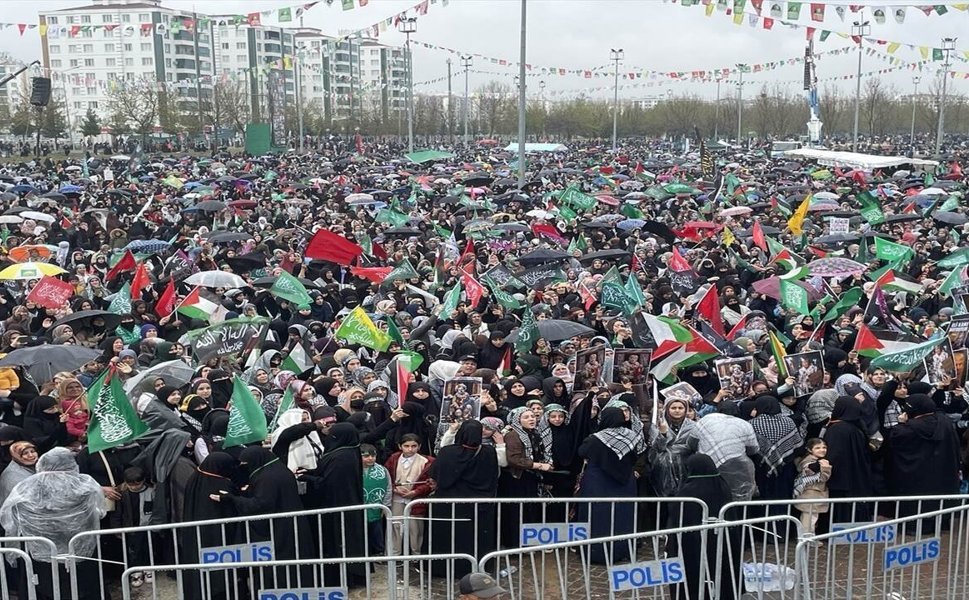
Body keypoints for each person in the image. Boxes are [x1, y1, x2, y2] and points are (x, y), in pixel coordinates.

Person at [0, 447, 106, 600]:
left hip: (40, 550)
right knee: (83, 586)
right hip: (81, 547)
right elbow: (100, 511)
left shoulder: (26, 487)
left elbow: (10, 516)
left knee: (46, 586)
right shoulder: (85, 483)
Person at [427, 420, 499, 577]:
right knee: (475, 539)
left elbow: (435, 475)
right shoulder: (489, 452)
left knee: (448, 539)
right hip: (479, 506)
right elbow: (494, 476)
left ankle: (442, 569)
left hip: (449, 505)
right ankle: (477, 567)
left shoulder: (448, 452)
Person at [577, 406, 645, 563]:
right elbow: (637, 455)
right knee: (623, 516)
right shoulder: (632, 436)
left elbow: (582, 452)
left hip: (598, 482)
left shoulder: (595, 438)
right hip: (625, 483)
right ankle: (622, 550)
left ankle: (597, 552)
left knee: (597, 517)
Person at [667, 454, 740, 600]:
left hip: (692, 546)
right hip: (722, 542)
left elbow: (677, 517)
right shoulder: (722, 486)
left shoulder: (687, 492)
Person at [824, 397, 874, 522]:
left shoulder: (837, 429)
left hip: (840, 479)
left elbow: (833, 454)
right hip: (857, 477)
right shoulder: (857, 427)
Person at [385, 433, 434, 556]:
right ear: (400, 446)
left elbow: (430, 483)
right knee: (395, 526)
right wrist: (395, 489)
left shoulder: (427, 461)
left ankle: (416, 556)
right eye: (406, 446)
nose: (410, 449)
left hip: (416, 500)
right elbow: (387, 476)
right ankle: (393, 555)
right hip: (397, 497)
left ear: (419, 446)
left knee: (416, 529)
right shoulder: (394, 458)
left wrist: (415, 492)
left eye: (414, 446)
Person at [793, 438, 832, 536]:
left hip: (809, 494)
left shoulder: (806, 460)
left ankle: (808, 537)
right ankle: (807, 539)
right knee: (809, 519)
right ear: (810, 450)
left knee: (810, 518)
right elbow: (823, 478)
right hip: (812, 495)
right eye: (817, 448)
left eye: (824, 447)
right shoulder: (813, 463)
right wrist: (826, 468)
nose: (822, 450)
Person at [360, 443, 391, 555]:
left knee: (376, 531)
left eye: (373, 456)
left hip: (377, 507)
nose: (370, 458)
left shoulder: (383, 470)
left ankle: (379, 551)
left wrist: (386, 505)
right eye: (366, 456)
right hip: (360, 507)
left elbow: (388, 488)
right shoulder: (355, 470)